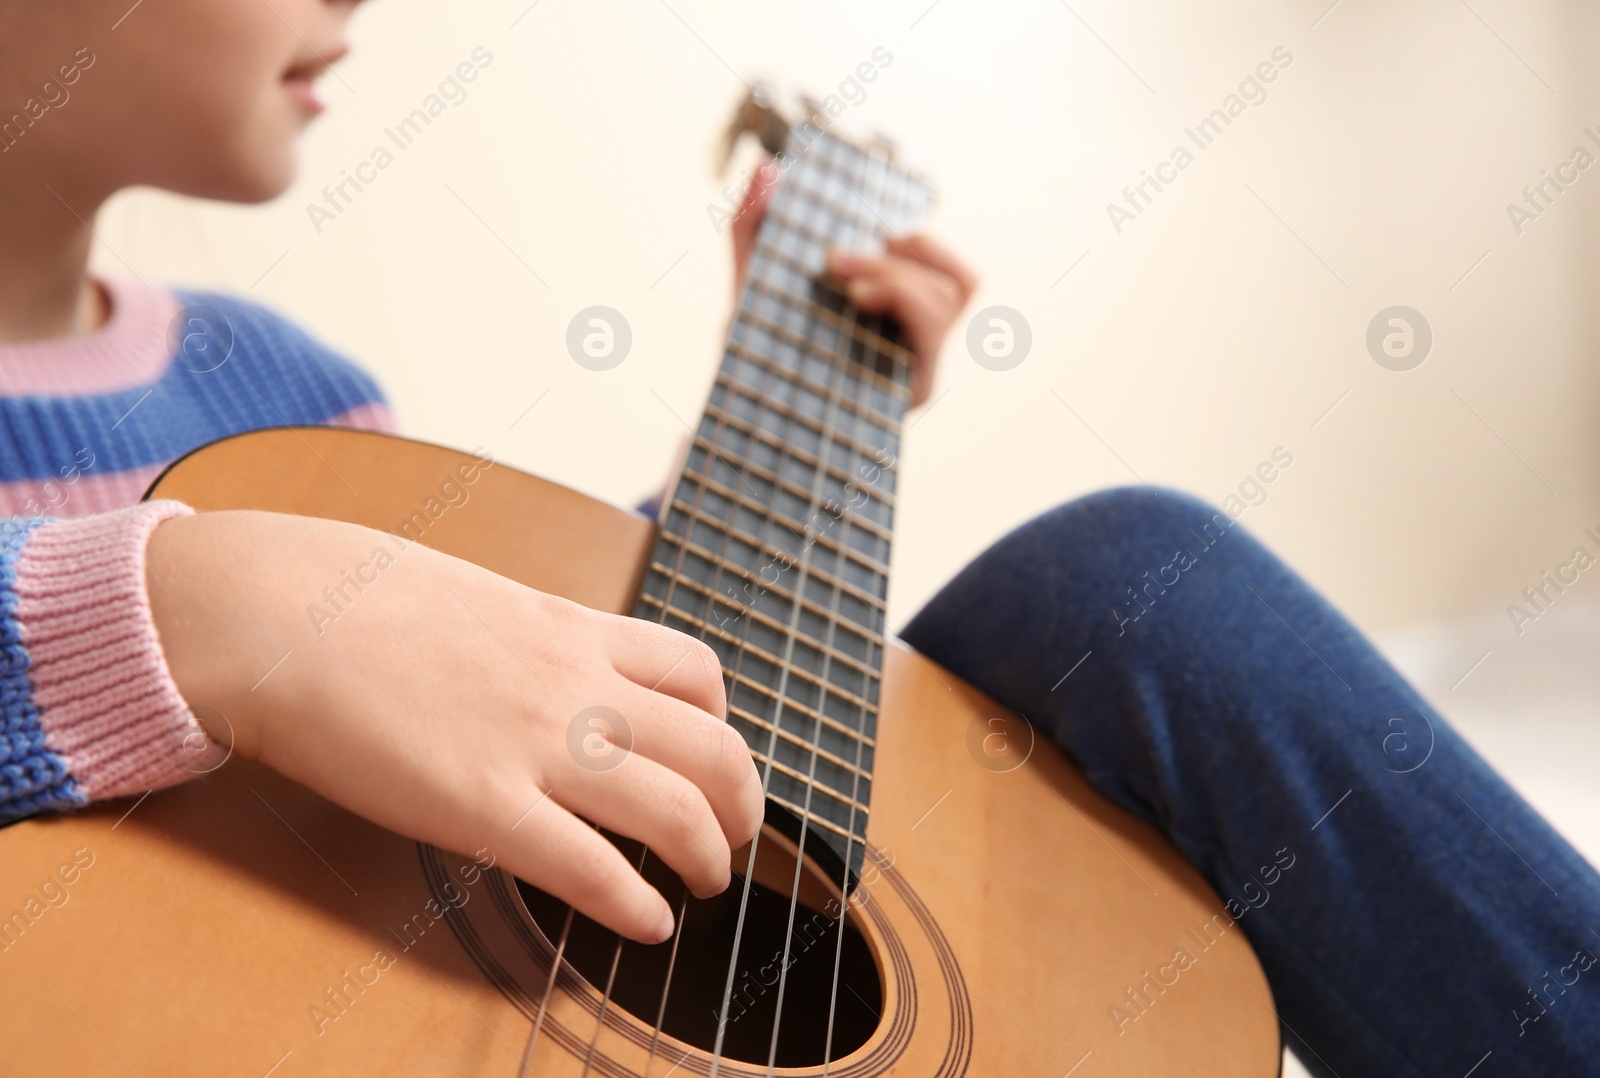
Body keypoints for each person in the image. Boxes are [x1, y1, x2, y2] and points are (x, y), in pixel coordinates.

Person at [0, 3, 1594, 1076]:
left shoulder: (283, 386)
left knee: (1115, 578)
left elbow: (534, 683)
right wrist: (206, 603)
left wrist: (779, 404)